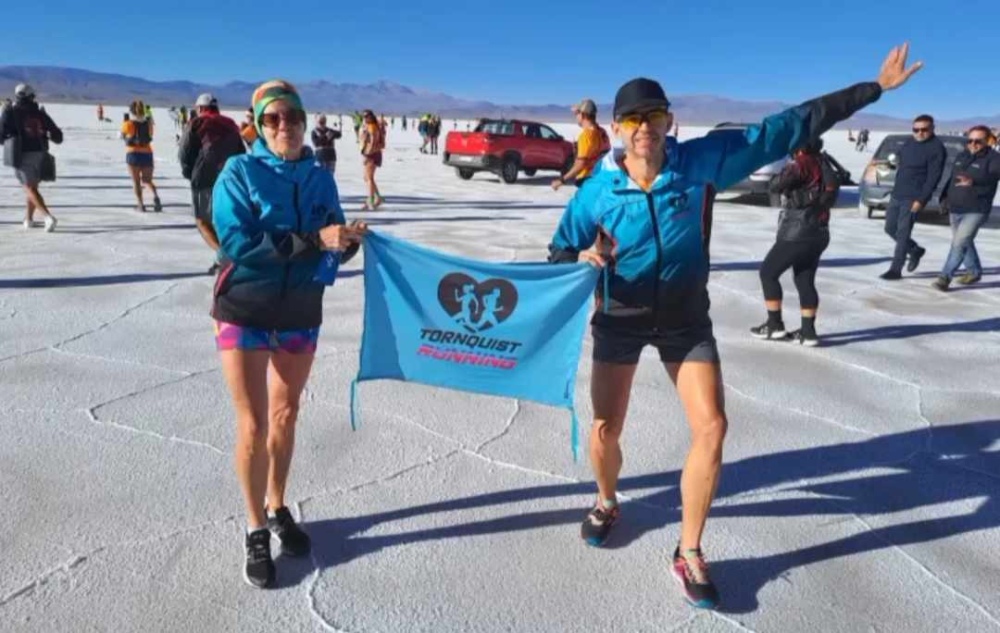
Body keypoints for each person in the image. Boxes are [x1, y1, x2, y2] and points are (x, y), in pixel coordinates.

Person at [547, 44, 922, 610]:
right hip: (620, 318)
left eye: (654, 117)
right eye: (632, 120)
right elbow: (558, 250)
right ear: (617, 130)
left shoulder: (701, 164)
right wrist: (580, 261)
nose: (644, 128)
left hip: (684, 320)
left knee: (713, 427)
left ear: (669, 122)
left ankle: (689, 550)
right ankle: (606, 500)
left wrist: (872, 90)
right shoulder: (596, 192)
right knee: (604, 430)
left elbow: (784, 128)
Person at [211, 79, 367, 589]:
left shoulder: (320, 178)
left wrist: (345, 244)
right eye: (274, 118)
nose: (286, 127)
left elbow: (330, 238)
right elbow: (238, 242)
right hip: (245, 309)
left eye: (294, 118)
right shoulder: (239, 171)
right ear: (258, 124)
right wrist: (310, 240)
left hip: (300, 310)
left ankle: (278, 505)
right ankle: (256, 527)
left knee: (286, 413)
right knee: (254, 423)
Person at [751, 138, 840, 345]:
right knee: (804, 279)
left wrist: (780, 175)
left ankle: (774, 325)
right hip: (819, 231)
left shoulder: (801, 163)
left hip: (797, 231)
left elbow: (775, 185)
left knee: (768, 273)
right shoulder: (823, 162)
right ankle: (808, 332)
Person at [179, 93, 245, 273]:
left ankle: (225, 257)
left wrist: (190, 173)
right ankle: (222, 258)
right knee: (223, 220)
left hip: (204, 178)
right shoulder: (231, 124)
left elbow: (184, 153)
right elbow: (241, 152)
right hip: (229, 178)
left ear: (200, 108)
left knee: (202, 220)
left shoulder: (197, 123)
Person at [879, 114, 946, 280]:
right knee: (890, 228)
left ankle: (895, 269)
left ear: (932, 129)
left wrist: (921, 200)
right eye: (916, 129)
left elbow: (933, 177)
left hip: (913, 197)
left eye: (924, 129)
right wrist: (890, 162)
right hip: (897, 193)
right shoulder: (910, 142)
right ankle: (915, 250)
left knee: (902, 233)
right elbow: (900, 159)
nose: (920, 133)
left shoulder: (936, 148)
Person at [933, 125, 1000, 290]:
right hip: (956, 207)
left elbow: (993, 179)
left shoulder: (994, 158)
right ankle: (974, 271)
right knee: (963, 242)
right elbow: (952, 179)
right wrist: (944, 198)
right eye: (970, 140)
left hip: (976, 209)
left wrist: (974, 182)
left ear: (987, 141)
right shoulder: (962, 155)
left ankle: (944, 277)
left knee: (959, 242)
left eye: (978, 141)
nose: (973, 144)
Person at [0, 84, 63, 231]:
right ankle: (29, 219)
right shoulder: (40, 113)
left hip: (21, 154)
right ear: (31, 96)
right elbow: (58, 136)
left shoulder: (10, 112)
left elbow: (0, 135)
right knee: (33, 187)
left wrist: (10, 137)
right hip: (41, 154)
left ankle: (48, 217)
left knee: (28, 187)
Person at [552, 99, 611, 190]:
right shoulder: (602, 132)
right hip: (600, 178)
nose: (575, 117)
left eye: (576, 114)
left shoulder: (586, 136)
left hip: (587, 180)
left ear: (583, 115)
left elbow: (581, 164)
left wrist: (562, 180)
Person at [121, 99, 162, 212]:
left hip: (133, 154)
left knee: (136, 181)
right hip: (147, 153)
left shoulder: (128, 123)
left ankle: (141, 205)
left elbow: (122, 135)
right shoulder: (148, 123)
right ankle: (156, 197)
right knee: (147, 180)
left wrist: (124, 124)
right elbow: (150, 134)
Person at [359, 109, 385, 209]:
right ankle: (377, 197)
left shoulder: (372, 127)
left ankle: (370, 200)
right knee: (367, 177)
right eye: (364, 116)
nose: (365, 118)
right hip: (373, 153)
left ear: (371, 116)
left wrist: (367, 155)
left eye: (367, 116)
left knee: (369, 178)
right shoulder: (371, 126)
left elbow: (373, 143)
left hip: (372, 154)